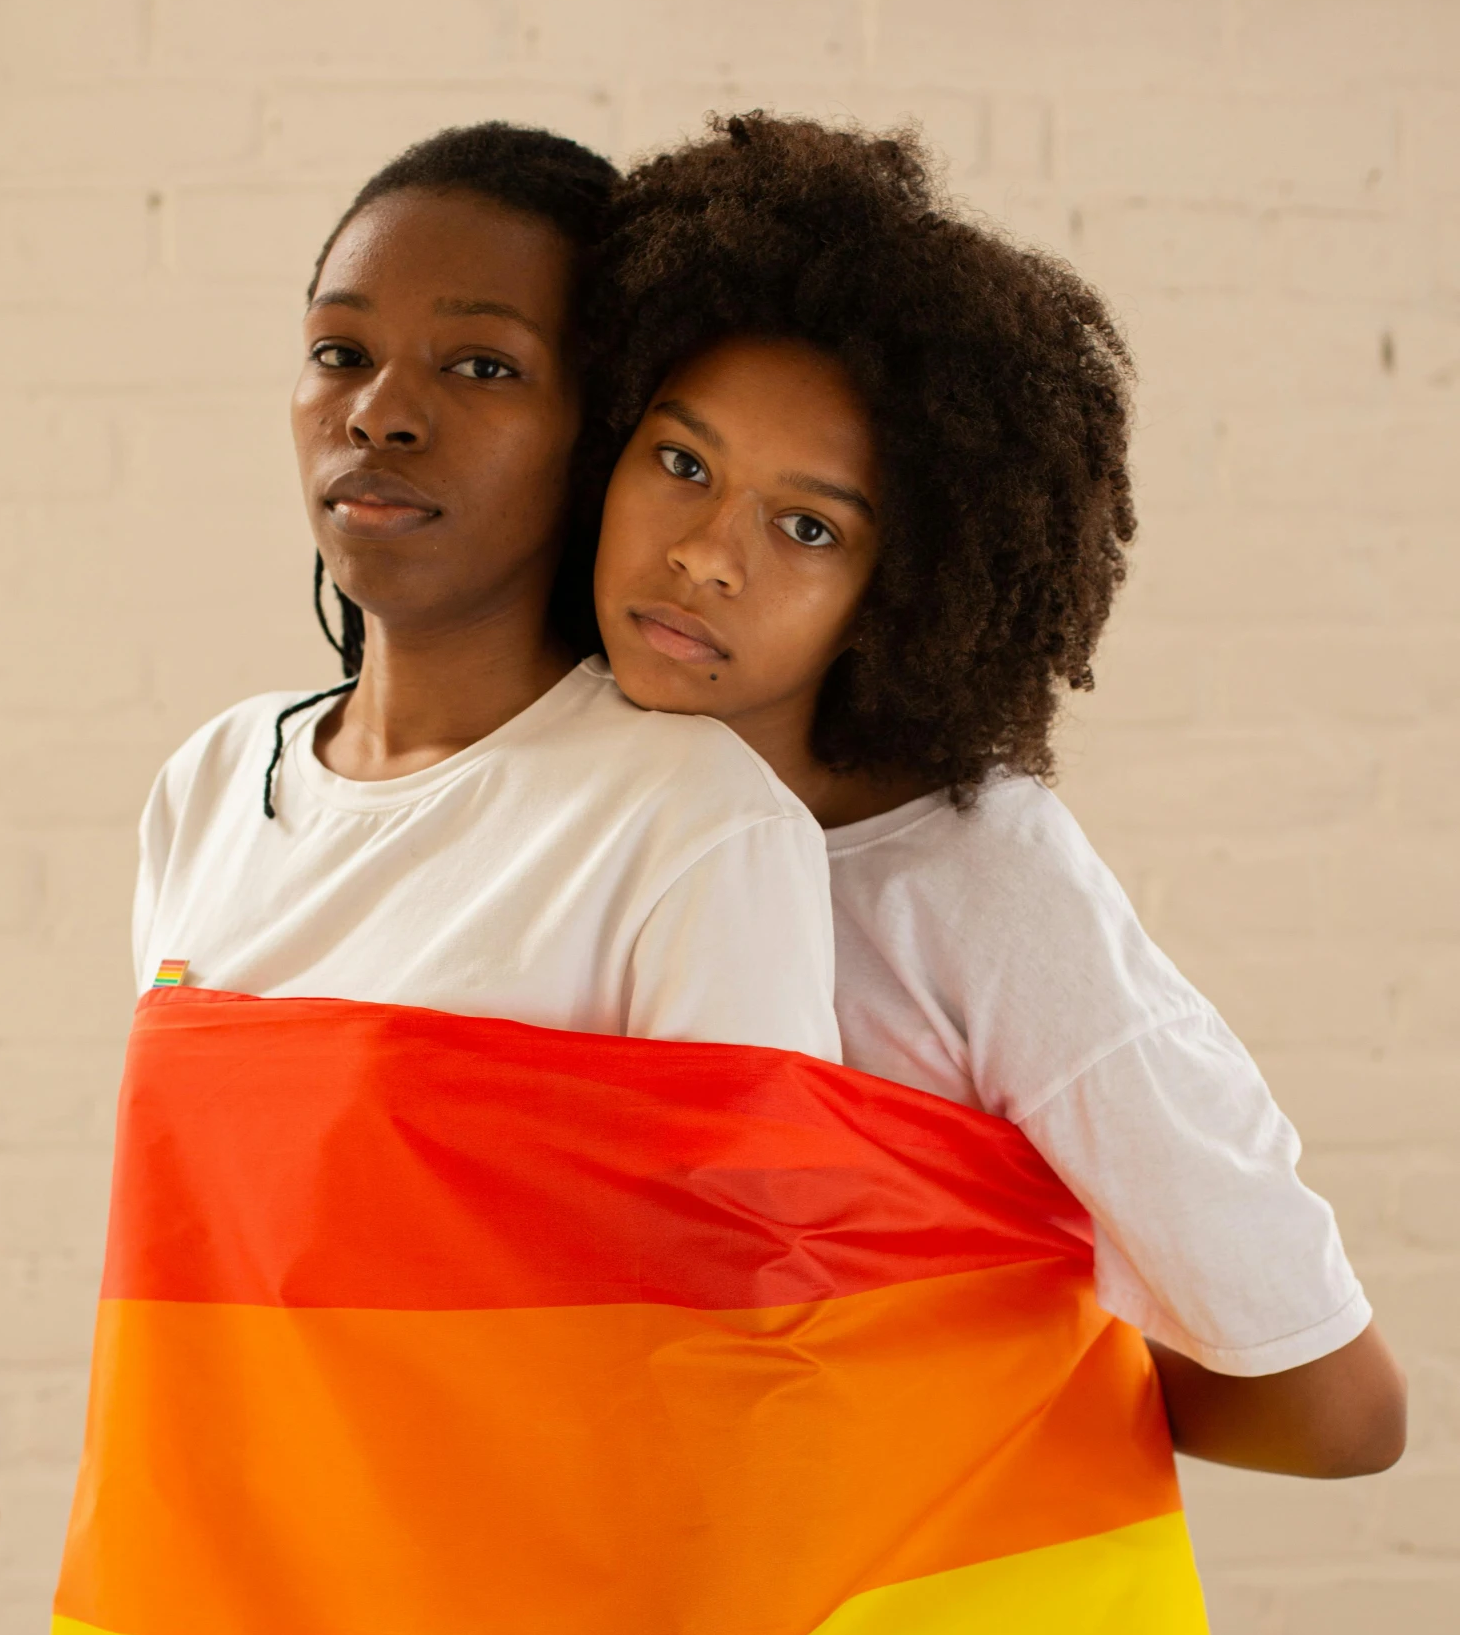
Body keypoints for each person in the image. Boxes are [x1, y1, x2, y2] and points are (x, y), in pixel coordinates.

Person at [590, 111, 1405, 1479]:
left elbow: (1336, 1411)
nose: (704, 556)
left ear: (901, 588)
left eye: (806, 527)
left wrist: (949, 1386)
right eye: (680, 463)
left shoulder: (986, 896)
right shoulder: (547, 784)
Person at [133, 120, 840, 1058]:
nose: (379, 415)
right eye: (340, 353)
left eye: (482, 367)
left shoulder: (691, 822)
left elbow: (752, 1207)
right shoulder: (213, 783)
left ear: (596, 432)